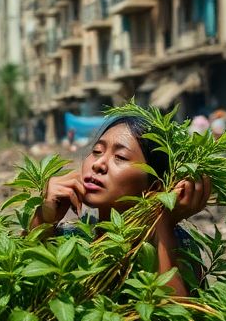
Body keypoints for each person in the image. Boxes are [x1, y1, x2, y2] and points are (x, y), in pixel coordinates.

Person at [28, 113, 212, 298]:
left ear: (155, 186)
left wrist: (162, 225)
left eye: (121, 157)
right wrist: (44, 218)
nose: (98, 164)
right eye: (97, 151)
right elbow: (22, 290)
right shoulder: (71, 239)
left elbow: (176, 320)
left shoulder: (180, 245)